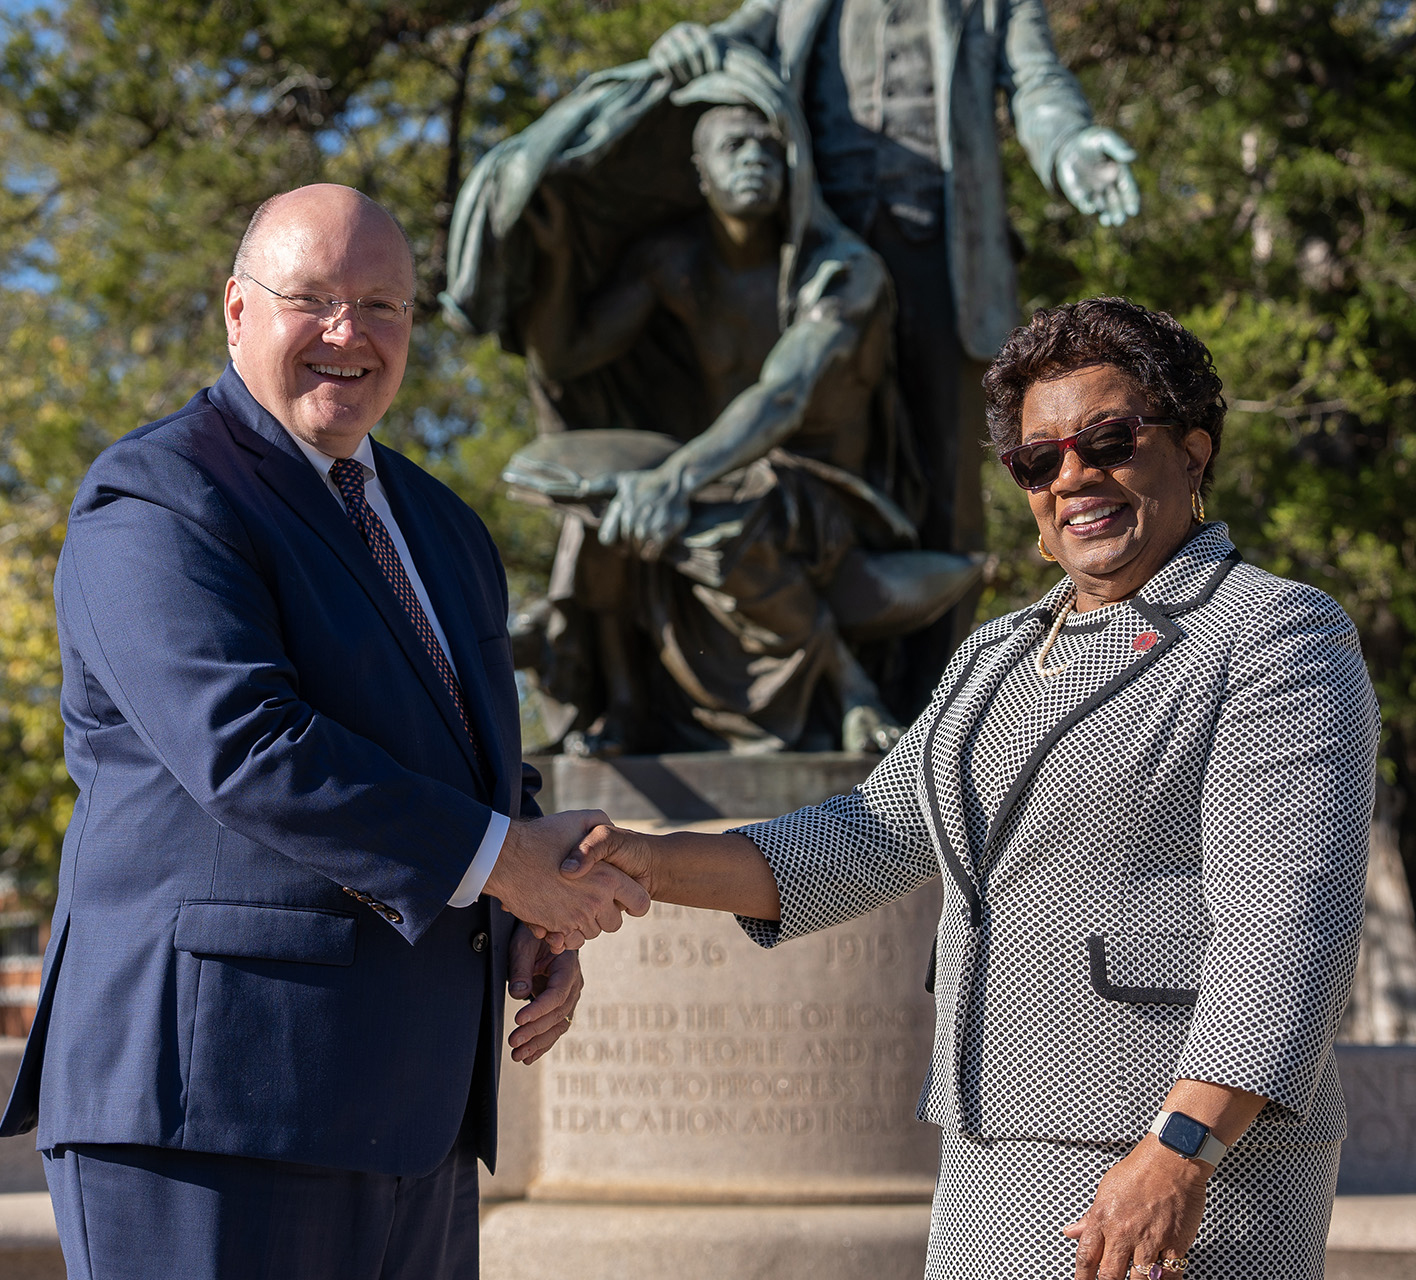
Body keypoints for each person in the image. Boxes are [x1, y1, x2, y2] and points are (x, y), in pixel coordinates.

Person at [562, 297, 1379, 1278]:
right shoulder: (994, 656)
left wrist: (1181, 1145)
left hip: (1180, 1166)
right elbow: (855, 842)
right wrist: (644, 857)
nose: (1075, 474)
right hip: (987, 1151)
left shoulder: (1274, 632)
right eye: (1040, 458)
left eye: (1110, 440)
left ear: (1194, 451)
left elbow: (1287, 924)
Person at [0, 184, 650, 1280]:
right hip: (208, 1107)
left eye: (383, 305)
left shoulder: (445, 527)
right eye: (313, 298)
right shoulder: (158, 497)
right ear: (238, 311)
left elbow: (461, 748)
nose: (350, 334)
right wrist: (503, 865)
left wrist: (535, 905)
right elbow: (248, 744)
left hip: (414, 1111)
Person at [650, 1, 1142, 706]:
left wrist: (1070, 145)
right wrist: (688, 44)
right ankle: (828, 692)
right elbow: (729, 40)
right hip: (824, 259)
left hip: (941, 260)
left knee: (945, 493)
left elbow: (1037, 81)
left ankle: (931, 717)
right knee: (808, 462)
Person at [519, 95, 976, 756]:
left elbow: (784, 396)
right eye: (734, 148)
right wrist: (559, 258)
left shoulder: (841, 272)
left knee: (730, 508)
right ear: (698, 173)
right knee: (601, 503)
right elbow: (565, 357)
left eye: (769, 149)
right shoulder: (674, 262)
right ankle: (619, 701)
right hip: (718, 469)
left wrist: (674, 479)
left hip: (827, 489)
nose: (755, 161)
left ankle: (851, 689)